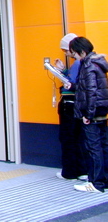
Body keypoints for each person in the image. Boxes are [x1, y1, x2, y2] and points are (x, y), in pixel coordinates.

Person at [70, 37, 108, 193]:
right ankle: (104, 180)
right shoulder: (99, 63)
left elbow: (90, 92)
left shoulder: (88, 65)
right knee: (103, 146)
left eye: (74, 54)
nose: (74, 57)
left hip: (92, 112)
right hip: (102, 110)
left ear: (82, 52)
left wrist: (88, 114)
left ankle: (96, 183)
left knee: (94, 148)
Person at [54, 33, 87, 181]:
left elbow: (71, 83)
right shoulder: (87, 63)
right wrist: (64, 71)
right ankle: (81, 170)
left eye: (66, 50)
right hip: (80, 105)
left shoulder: (78, 63)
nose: (66, 54)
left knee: (67, 137)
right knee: (79, 138)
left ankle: (69, 172)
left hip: (69, 104)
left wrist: (60, 73)